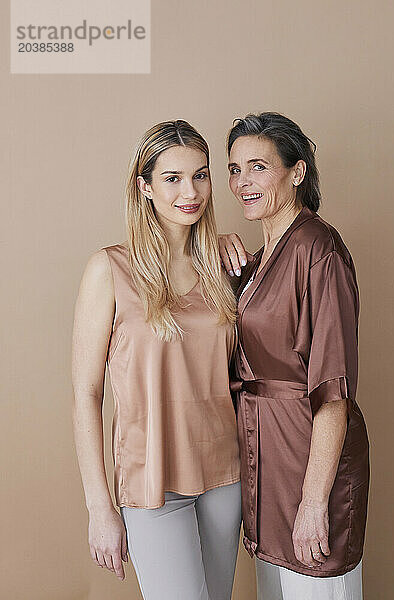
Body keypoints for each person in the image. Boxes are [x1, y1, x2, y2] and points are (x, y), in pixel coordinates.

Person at [72, 120, 241, 600]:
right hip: (151, 482)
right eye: (172, 178)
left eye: (201, 175)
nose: (191, 191)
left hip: (225, 475)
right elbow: (86, 394)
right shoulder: (109, 269)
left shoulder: (225, 268)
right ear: (144, 186)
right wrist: (99, 508)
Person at [219, 112, 370, 600]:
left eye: (258, 167)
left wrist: (313, 501)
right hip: (267, 467)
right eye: (235, 168)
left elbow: (333, 393)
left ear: (297, 172)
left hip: (310, 467)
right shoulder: (257, 260)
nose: (243, 182)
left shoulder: (319, 250)